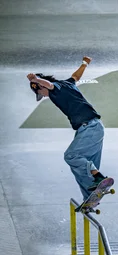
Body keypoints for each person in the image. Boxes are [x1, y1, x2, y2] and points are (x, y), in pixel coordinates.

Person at [27, 57, 108, 203]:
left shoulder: (54, 88)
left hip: (89, 127)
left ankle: (99, 177)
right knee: (82, 167)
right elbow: (76, 76)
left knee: (71, 156)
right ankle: (90, 198)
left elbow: (49, 85)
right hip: (94, 128)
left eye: (41, 93)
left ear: (41, 87)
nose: (44, 96)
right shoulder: (68, 83)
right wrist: (85, 63)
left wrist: (36, 79)